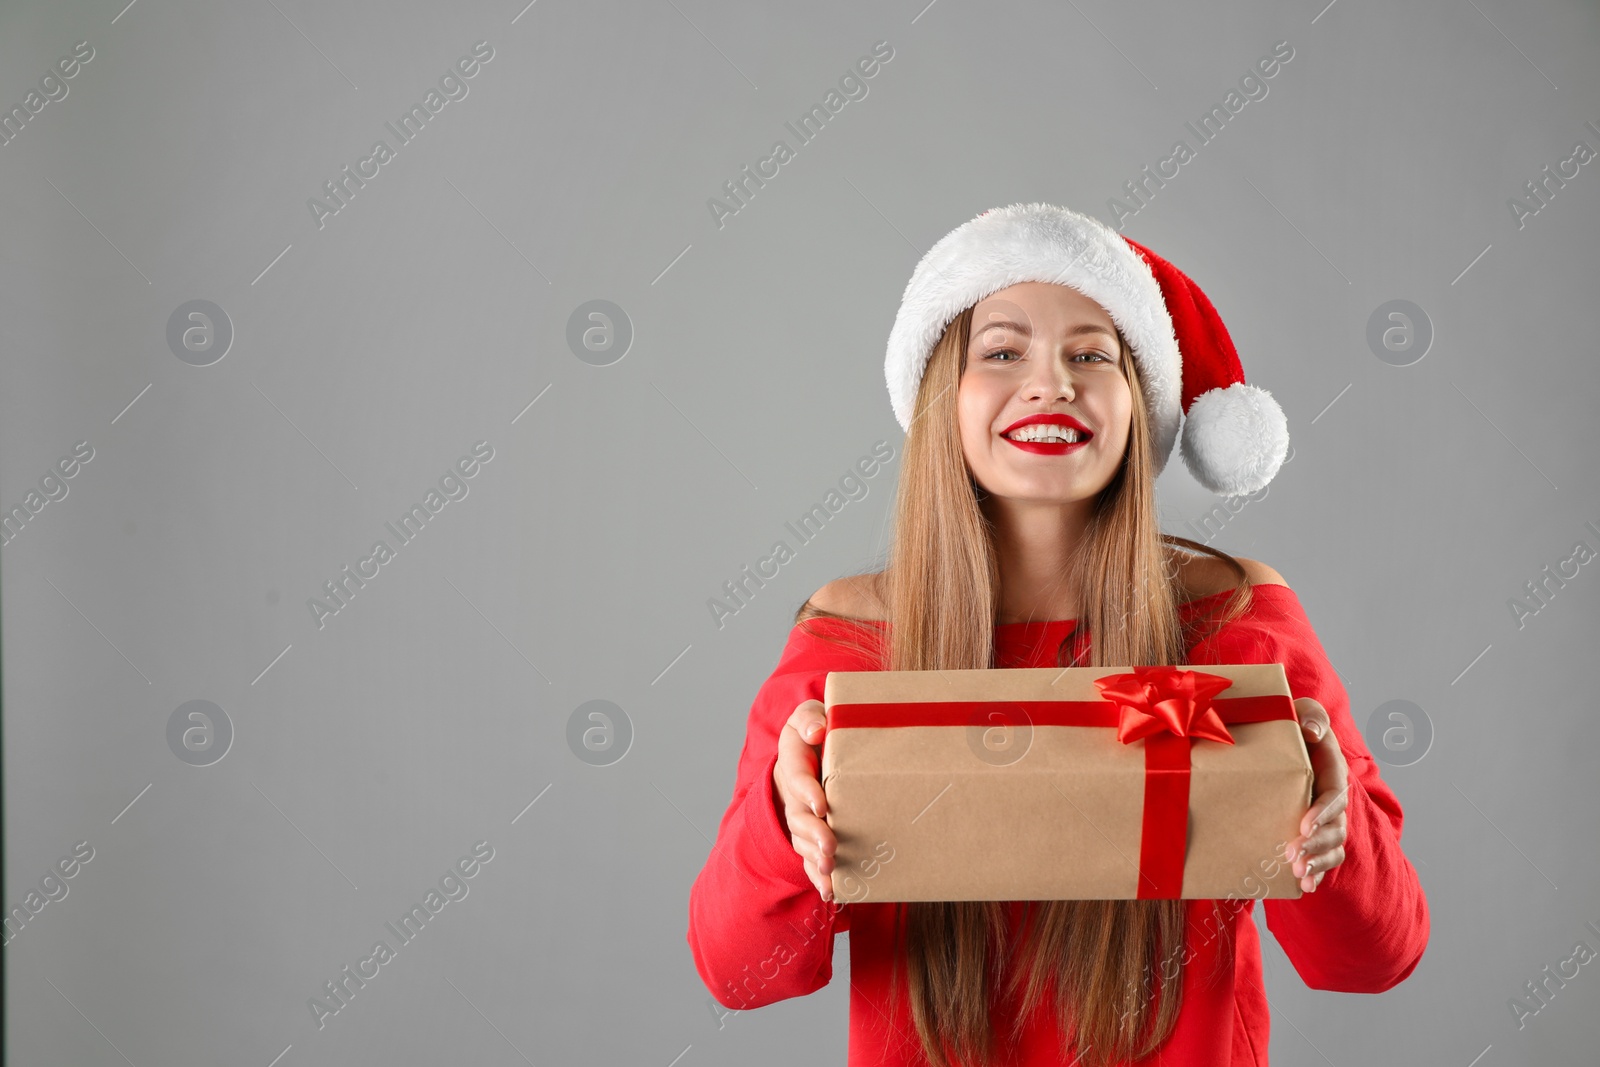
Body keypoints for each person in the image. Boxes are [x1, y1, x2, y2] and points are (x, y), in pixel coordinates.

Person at [687, 203, 1428, 1066]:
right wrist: (787, 819)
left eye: (1091, 355)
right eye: (1002, 352)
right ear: (942, 397)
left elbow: (1373, 957)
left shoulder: (1237, 620)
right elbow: (740, 973)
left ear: (1139, 400)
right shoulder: (851, 642)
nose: (1053, 384)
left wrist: (1330, 824)